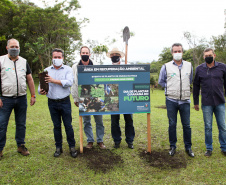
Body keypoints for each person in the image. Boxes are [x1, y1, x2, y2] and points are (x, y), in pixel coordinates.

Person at [0, 38, 36, 159]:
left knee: (21, 124)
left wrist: (33, 95)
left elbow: (30, 79)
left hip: (21, 98)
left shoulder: (24, 61)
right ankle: (0, 149)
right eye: (12, 46)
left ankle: (21, 145)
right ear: (7, 48)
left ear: (19, 48)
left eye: (16, 47)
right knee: (2, 124)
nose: (14, 49)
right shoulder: (1, 60)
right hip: (5, 99)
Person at [38, 48, 77, 158]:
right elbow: (39, 88)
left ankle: (72, 147)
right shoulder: (46, 71)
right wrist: (41, 91)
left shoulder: (68, 69)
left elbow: (69, 82)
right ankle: (58, 147)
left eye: (59, 57)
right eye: (55, 57)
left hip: (65, 102)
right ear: (52, 58)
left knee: (68, 125)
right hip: (52, 102)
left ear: (62, 58)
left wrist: (53, 80)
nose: (57, 59)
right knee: (56, 126)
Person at [158, 43, 194, 157]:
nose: (177, 53)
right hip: (171, 100)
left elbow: (190, 79)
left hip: (185, 100)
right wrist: (171, 89)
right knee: (172, 124)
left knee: (187, 125)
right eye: (175, 51)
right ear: (172, 53)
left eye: (179, 51)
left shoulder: (189, 65)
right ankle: (172, 146)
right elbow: (161, 81)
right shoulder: (166, 66)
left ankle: (188, 147)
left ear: (182, 52)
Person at [193, 48, 226, 157]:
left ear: (214, 55)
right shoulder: (199, 69)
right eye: (206, 55)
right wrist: (196, 102)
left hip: (220, 102)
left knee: (222, 126)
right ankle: (209, 148)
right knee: (208, 127)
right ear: (203, 57)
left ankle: (224, 147)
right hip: (206, 103)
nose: (208, 57)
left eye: (210, 55)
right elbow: (196, 86)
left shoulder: (222, 67)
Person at [71, 46, 105, 149]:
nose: (85, 54)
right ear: (80, 54)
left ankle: (100, 141)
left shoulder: (96, 65)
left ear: (90, 54)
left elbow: (101, 81)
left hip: (96, 96)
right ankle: (90, 141)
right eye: (83, 52)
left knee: (99, 120)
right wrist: (75, 98)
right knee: (86, 121)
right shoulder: (75, 67)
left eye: (86, 52)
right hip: (83, 97)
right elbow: (73, 83)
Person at [106, 47, 135, 149]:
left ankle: (130, 141)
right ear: (110, 57)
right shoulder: (107, 69)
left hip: (126, 97)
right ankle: (117, 141)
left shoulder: (127, 66)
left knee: (129, 120)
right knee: (114, 121)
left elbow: (133, 79)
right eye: (113, 55)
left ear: (120, 56)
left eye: (116, 55)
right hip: (113, 98)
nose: (115, 57)